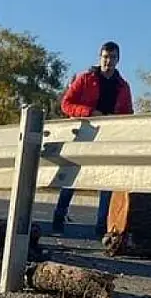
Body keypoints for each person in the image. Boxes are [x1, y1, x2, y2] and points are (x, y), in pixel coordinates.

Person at [52, 40, 134, 235]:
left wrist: (117, 122)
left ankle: (101, 226)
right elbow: (66, 104)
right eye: (106, 57)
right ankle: (59, 216)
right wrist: (89, 112)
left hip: (108, 139)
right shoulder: (85, 78)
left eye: (112, 57)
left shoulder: (123, 87)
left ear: (118, 60)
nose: (109, 61)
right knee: (73, 177)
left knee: (105, 181)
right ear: (100, 58)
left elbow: (129, 114)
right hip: (84, 135)